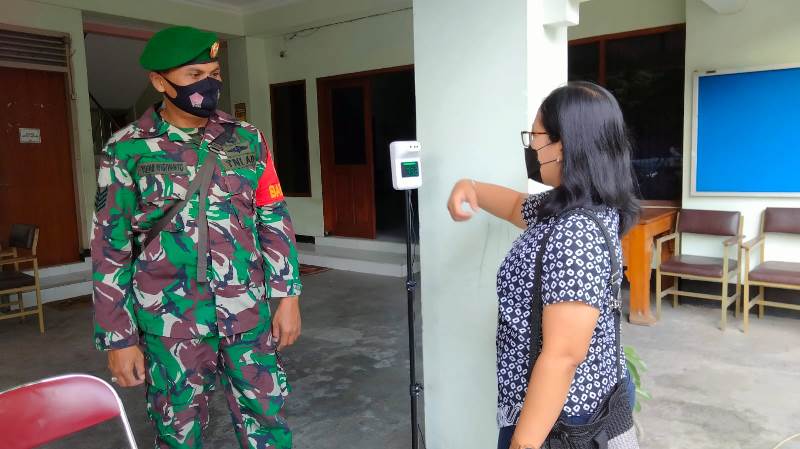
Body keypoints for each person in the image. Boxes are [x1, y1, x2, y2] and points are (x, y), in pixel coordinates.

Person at [91, 26, 302, 449]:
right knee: (177, 432)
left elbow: (273, 218)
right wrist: (119, 339)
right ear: (159, 82)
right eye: (193, 75)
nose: (208, 84)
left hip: (248, 313)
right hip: (171, 323)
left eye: (214, 72)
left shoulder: (247, 139)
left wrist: (289, 297)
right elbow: (109, 248)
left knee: (268, 421)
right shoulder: (127, 151)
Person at [447, 82, 640, 449]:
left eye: (535, 136)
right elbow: (515, 206)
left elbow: (562, 356)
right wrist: (469, 186)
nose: (531, 147)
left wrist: (524, 443)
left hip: (561, 421)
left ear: (564, 145)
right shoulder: (575, 204)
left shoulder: (576, 232)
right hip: (557, 408)